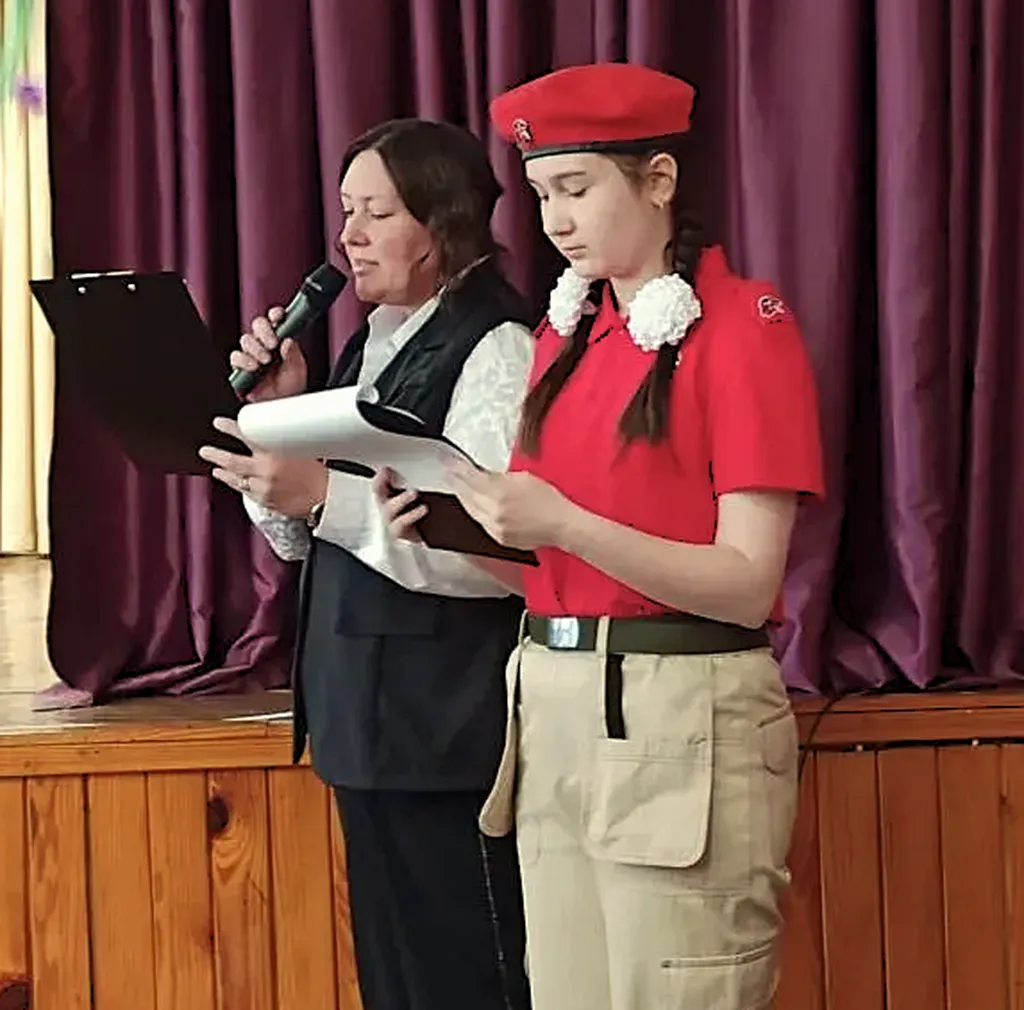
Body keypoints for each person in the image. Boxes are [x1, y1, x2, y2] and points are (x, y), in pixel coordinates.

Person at [383, 65, 825, 1010]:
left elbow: (748, 582)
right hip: (553, 701)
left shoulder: (743, 328)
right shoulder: (566, 336)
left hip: (679, 709)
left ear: (658, 180)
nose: (556, 221)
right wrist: (462, 530)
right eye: (542, 195)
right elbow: (558, 572)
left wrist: (565, 524)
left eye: (577, 189)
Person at [199, 118, 534, 1010]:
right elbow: (308, 542)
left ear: (444, 221)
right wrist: (282, 431)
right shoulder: (373, 338)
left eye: (376, 213)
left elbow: (495, 552)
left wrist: (323, 494)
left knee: (471, 977)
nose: (348, 235)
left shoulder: (495, 344)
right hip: (368, 720)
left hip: (448, 724)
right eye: (347, 211)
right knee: (399, 982)